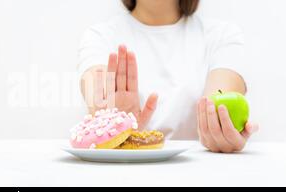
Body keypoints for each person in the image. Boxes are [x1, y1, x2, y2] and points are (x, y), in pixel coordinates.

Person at [78, 0, 258, 153]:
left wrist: (219, 133)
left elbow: (218, 106)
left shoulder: (222, 36)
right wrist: (114, 126)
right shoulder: (99, 37)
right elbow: (98, 101)